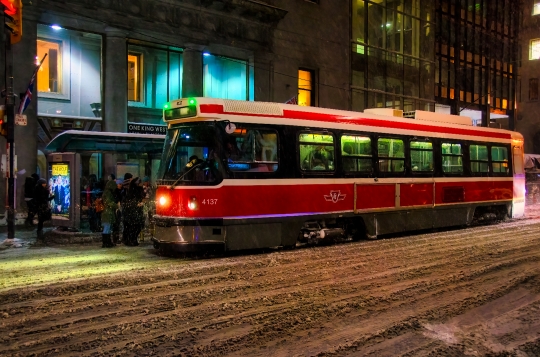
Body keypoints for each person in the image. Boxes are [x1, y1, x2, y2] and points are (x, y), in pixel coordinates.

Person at [122, 177, 145, 246]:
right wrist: (137, 204)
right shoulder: (133, 191)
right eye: (140, 182)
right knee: (134, 227)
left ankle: (131, 239)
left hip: (135, 212)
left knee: (135, 227)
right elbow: (130, 201)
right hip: (133, 212)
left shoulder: (135, 190)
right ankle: (131, 240)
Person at [100, 180, 119, 248]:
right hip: (107, 213)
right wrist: (116, 206)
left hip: (107, 213)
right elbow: (108, 202)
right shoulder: (108, 193)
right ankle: (106, 242)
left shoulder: (107, 192)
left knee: (107, 228)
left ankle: (107, 242)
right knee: (107, 228)